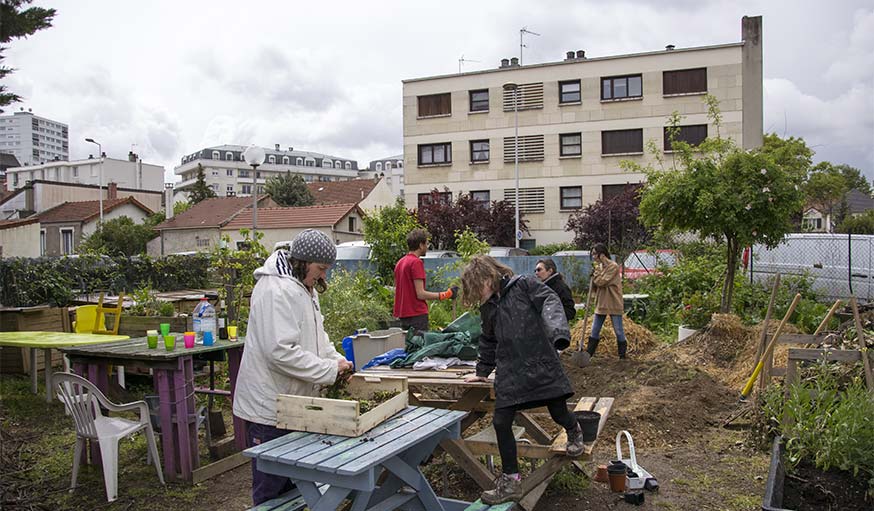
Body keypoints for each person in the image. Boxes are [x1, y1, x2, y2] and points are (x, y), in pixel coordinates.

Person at [233, 229, 354, 506]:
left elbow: (317, 337)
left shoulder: (304, 287)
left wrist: (337, 361)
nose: (323, 275)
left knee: (296, 484)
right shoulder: (276, 290)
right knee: (270, 487)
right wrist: (328, 370)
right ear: (302, 261)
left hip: (293, 403)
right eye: (321, 268)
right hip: (269, 407)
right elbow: (280, 352)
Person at [461, 255, 585, 505]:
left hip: (540, 362)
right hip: (510, 370)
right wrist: (482, 371)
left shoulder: (524, 285)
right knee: (501, 421)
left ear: (488, 278)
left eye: (478, 288)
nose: (478, 295)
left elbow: (551, 300)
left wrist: (559, 333)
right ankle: (511, 482)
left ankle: (574, 432)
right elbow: (488, 339)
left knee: (559, 413)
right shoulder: (489, 306)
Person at [393, 228, 457, 333]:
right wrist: (445, 294)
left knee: (409, 347)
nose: (427, 247)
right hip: (416, 315)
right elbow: (421, 294)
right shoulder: (416, 263)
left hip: (403, 315)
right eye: (426, 244)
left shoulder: (400, 262)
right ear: (420, 245)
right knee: (420, 348)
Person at [585, 242, 628, 359]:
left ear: (602, 255)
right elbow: (596, 285)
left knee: (618, 330)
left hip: (613, 301)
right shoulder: (599, 267)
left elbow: (602, 282)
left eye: (595, 254)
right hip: (602, 302)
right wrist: (593, 278)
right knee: (594, 330)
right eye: (592, 254)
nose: (593, 257)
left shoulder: (613, 266)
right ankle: (588, 355)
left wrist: (596, 276)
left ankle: (622, 357)